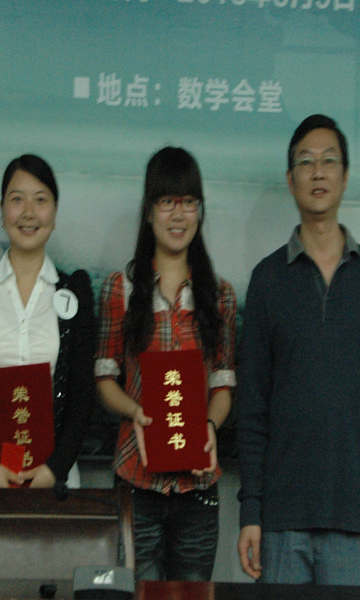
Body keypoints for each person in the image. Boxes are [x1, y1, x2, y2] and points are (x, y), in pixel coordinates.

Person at [236, 114, 360, 586]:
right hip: (280, 523)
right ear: (290, 178)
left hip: (354, 519)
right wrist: (250, 512)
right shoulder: (268, 279)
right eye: (306, 162)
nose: (318, 172)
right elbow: (252, 408)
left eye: (329, 161)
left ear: (345, 176)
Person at [95, 146, 236, 581]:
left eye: (189, 202)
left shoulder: (220, 295)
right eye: (167, 201)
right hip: (137, 480)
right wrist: (135, 410)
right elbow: (104, 378)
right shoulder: (121, 289)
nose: (178, 215)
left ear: (200, 211)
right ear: (149, 211)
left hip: (198, 486)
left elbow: (222, 384)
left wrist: (209, 426)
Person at [0, 154, 95, 489]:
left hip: (57, 480)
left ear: (54, 211)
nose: (29, 212)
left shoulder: (75, 290)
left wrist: (54, 470)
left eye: (40, 200)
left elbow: (82, 395)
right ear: (2, 209)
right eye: (17, 200)